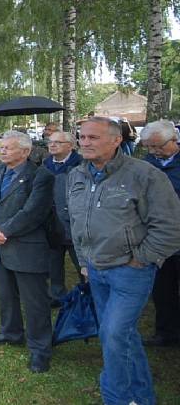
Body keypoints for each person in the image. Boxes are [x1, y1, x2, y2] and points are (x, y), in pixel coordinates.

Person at [68, 117, 180, 405]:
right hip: (95, 270)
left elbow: (170, 227)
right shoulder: (77, 175)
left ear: (117, 140)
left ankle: (116, 398)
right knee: (125, 337)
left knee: (113, 335)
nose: (85, 143)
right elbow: (77, 222)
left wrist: (142, 260)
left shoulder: (145, 175)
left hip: (130, 272)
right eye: (82, 137)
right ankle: (142, 398)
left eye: (93, 137)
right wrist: (83, 260)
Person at [0, 130, 54, 373]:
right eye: (1, 147)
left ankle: (40, 349)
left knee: (35, 302)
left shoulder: (40, 176)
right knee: (6, 295)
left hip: (25, 248)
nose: (2, 151)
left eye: (8, 148)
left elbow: (33, 213)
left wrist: (2, 231)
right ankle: (11, 333)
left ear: (25, 151)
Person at [141, 119, 180, 347]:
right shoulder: (147, 164)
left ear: (174, 140)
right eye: (149, 147)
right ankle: (167, 331)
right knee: (162, 288)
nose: (154, 151)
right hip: (158, 237)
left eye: (158, 146)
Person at [43, 130, 83, 305]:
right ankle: (57, 294)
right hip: (52, 223)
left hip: (76, 224)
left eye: (57, 142)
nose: (52, 145)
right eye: (50, 142)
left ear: (70, 145)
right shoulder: (45, 164)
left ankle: (86, 295)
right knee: (53, 262)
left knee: (82, 263)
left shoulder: (82, 164)